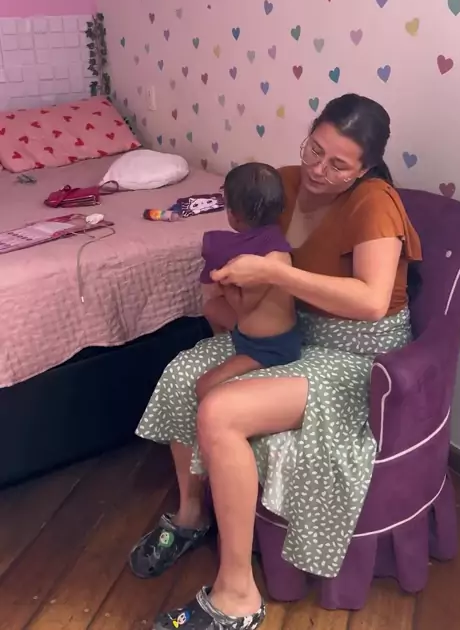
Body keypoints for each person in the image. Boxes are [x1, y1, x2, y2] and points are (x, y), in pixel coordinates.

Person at [131, 94, 422, 630]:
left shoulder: (374, 202)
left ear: (365, 169)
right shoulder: (285, 184)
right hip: (293, 331)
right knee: (183, 373)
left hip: (356, 351)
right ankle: (192, 516)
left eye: (338, 165)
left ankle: (238, 595)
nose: (318, 169)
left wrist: (275, 275)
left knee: (220, 410)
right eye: (315, 149)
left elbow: (371, 300)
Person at [196, 161, 302, 401]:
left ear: (233, 215)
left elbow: (244, 306)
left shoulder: (270, 260)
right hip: (248, 331)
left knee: (204, 386)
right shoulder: (267, 239)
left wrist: (222, 279)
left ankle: (242, 361)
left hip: (269, 348)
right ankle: (227, 343)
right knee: (211, 307)